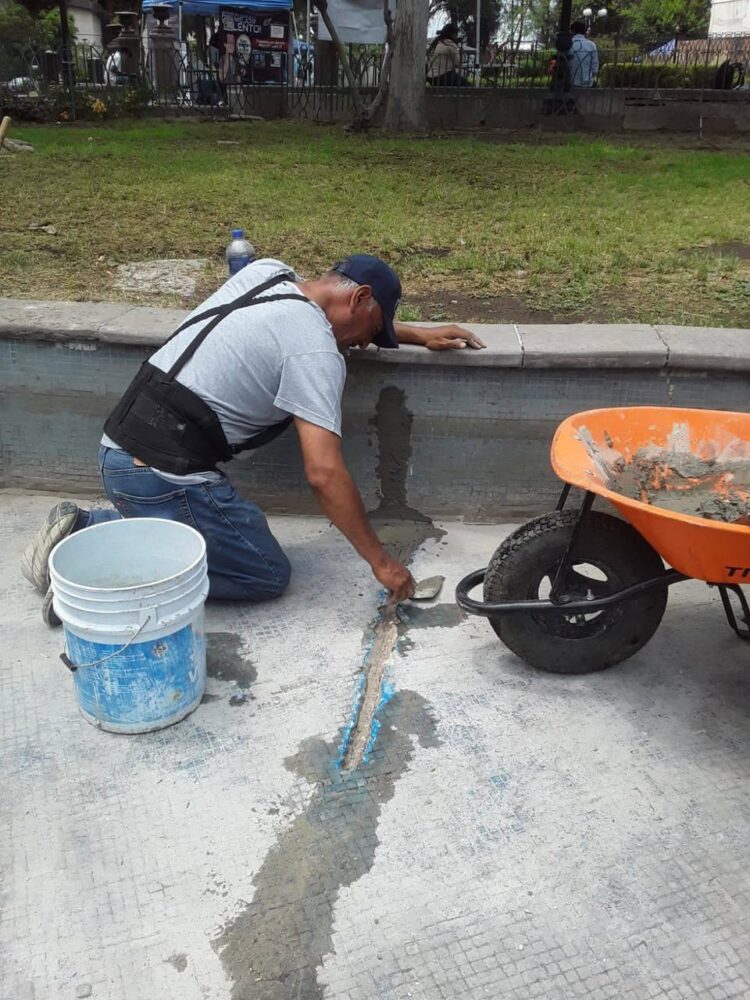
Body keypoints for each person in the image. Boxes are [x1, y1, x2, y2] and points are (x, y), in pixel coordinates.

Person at [22, 255, 485, 627]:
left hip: (120, 446)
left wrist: (414, 334)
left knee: (234, 538)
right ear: (360, 298)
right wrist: (381, 562)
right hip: (160, 473)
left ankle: (94, 526)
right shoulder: (316, 352)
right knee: (263, 571)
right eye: (372, 330)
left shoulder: (267, 273)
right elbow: (324, 474)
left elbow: (308, 324)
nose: (367, 344)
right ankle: (101, 586)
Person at [568, 20, 598, 88]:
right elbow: (595, 68)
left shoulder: (569, 44)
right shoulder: (591, 45)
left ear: (572, 31)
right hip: (587, 83)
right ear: (585, 31)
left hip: (570, 83)